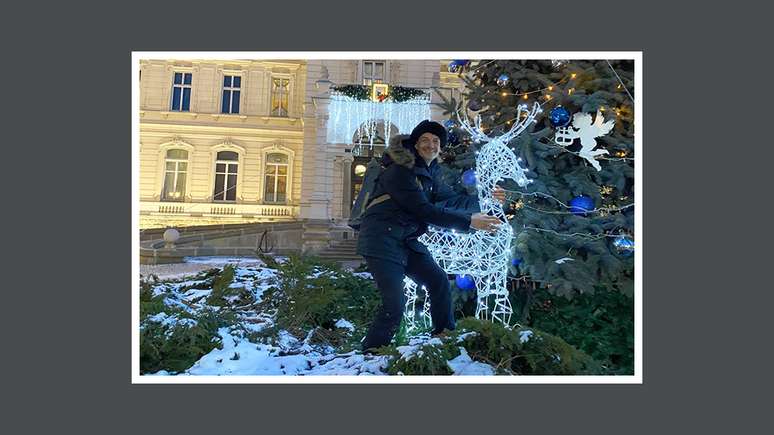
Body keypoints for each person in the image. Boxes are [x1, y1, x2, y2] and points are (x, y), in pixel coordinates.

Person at [356, 120, 506, 352]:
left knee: (438, 282)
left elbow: (453, 200)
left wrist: (487, 199)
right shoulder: (399, 171)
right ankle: (371, 353)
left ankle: (444, 337)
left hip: (405, 240)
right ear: (415, 145)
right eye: (425, 140)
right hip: (381, 240)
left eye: (436, 141)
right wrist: (469, 222)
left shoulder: (429, 175)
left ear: (440, 147)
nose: (431, 145)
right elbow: (424, 211)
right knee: (394, 304)